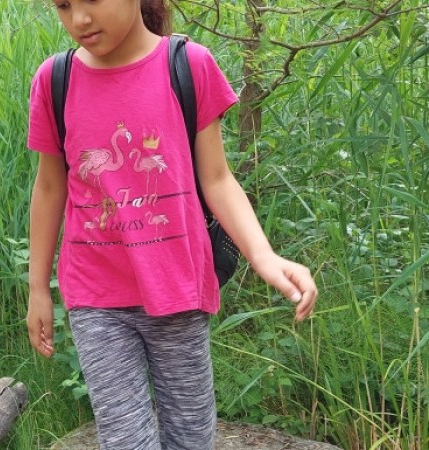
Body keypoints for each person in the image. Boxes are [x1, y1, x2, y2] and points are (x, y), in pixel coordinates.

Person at [25, 0, 318, 448]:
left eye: (92, 0)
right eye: (64, 5)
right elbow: (49, 187)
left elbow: (217, 178)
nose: (78, 19)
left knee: (191, 435)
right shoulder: (56, 80)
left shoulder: (188, 66)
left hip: (176, 287)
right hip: (96, 295)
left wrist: (264, 256)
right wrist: (38, 289)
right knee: (126, 440)